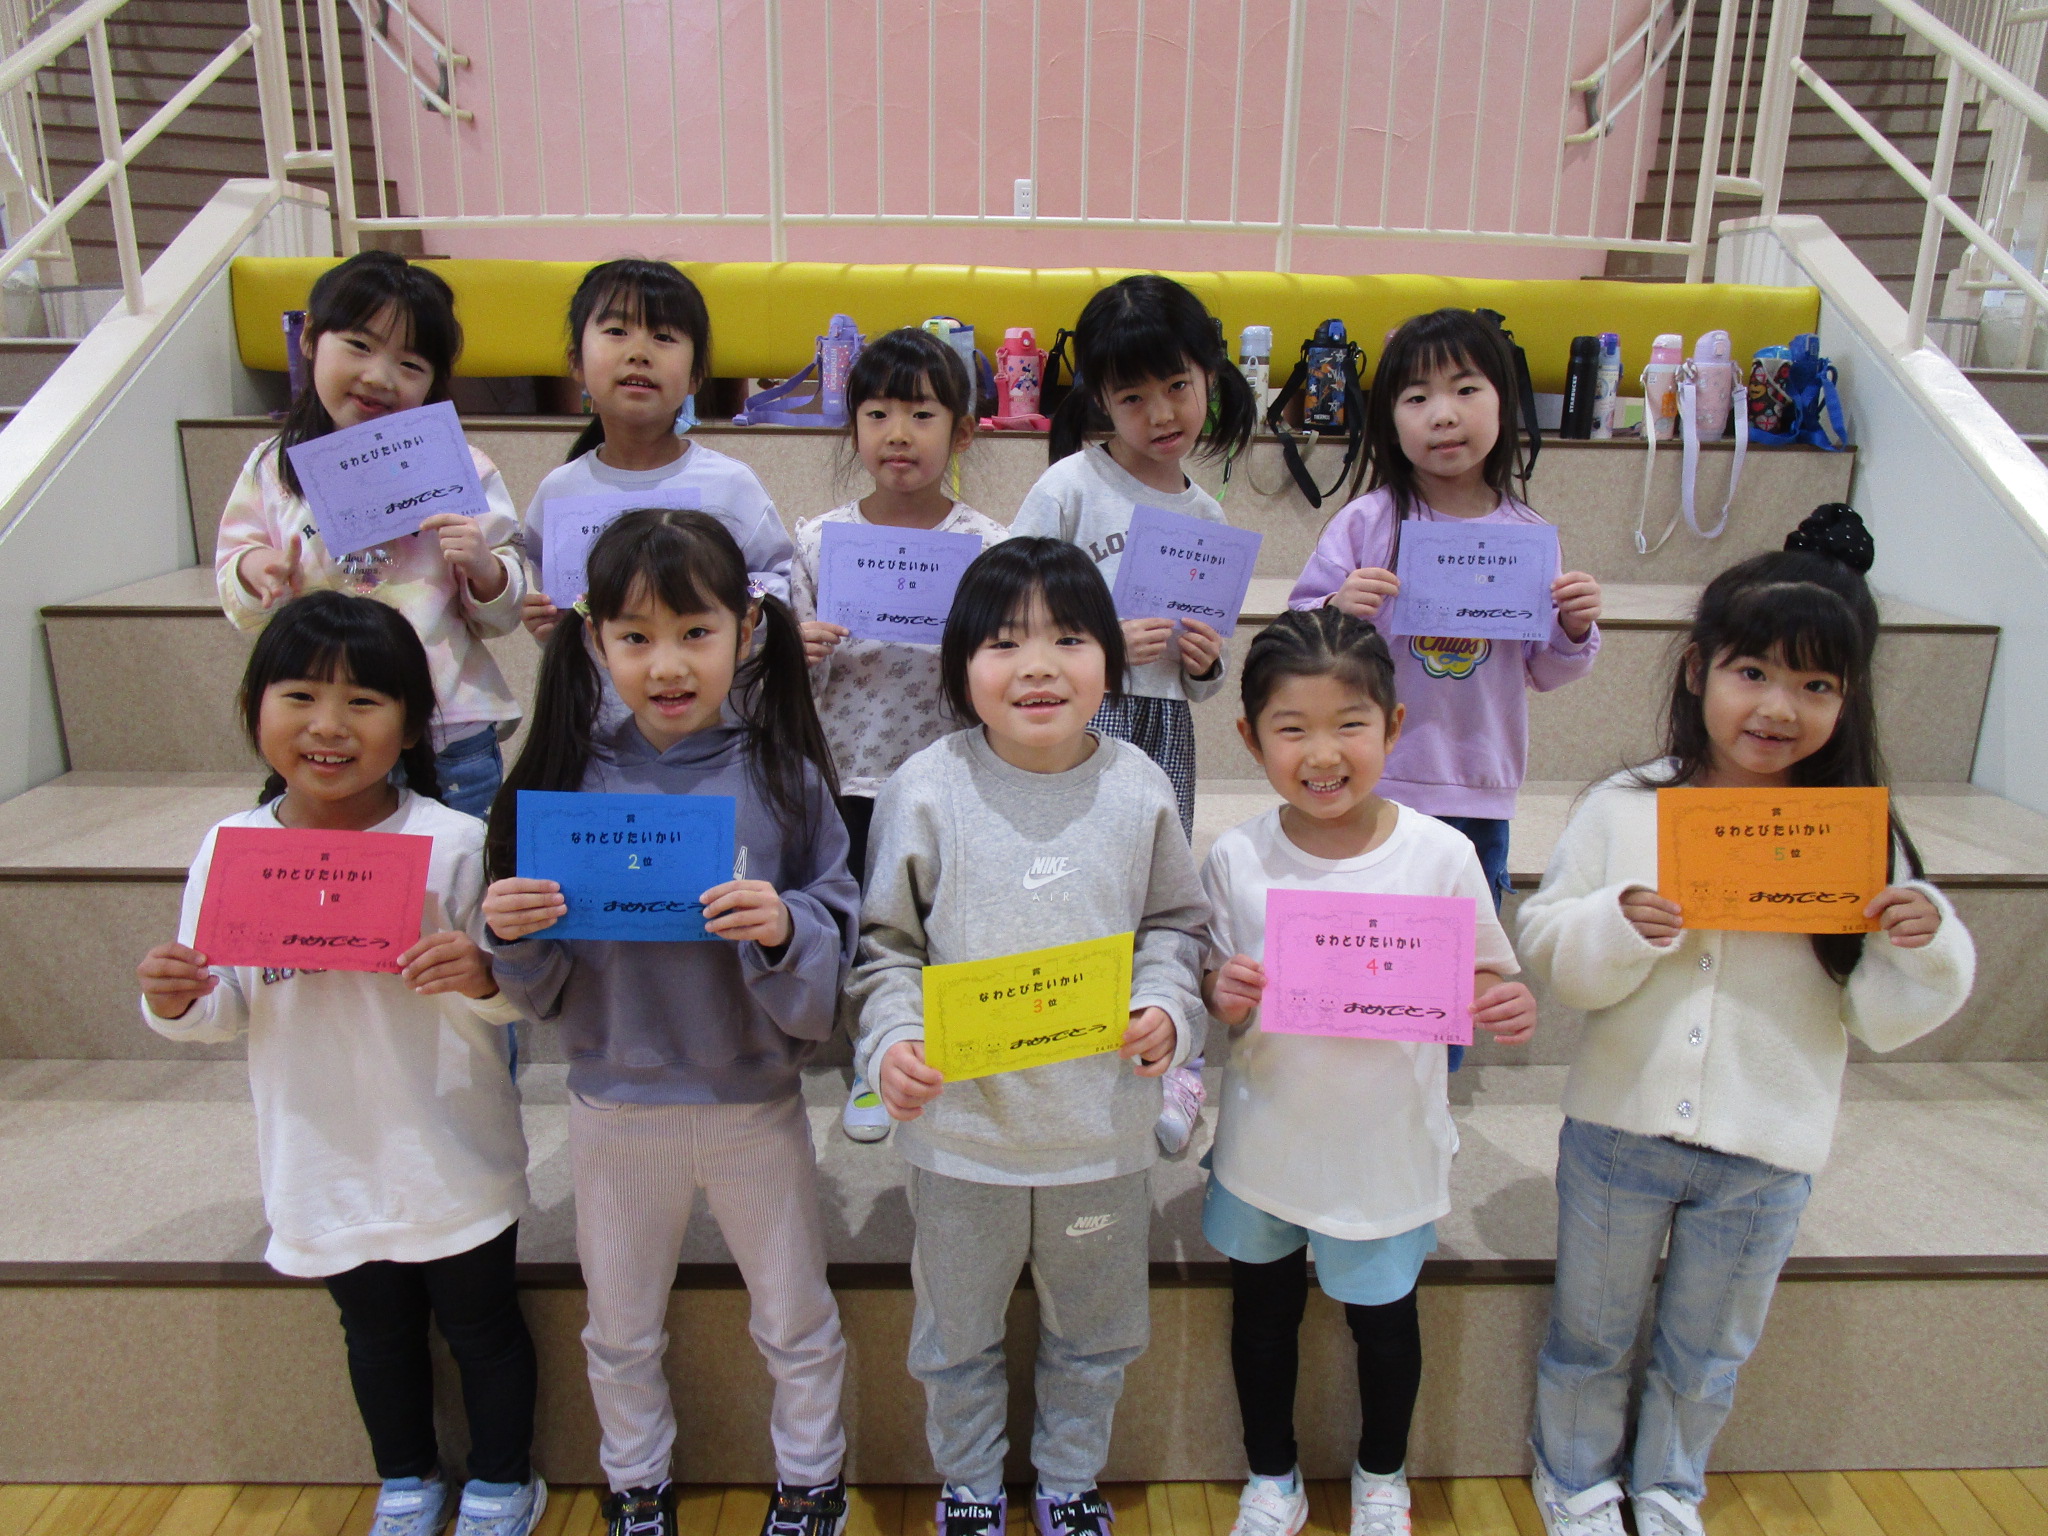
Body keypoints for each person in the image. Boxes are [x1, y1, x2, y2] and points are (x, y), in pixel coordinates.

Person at [1515, 510, 1975, 1536]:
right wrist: (1615, 924)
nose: (1777, 706)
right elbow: (1548, 944)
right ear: (1697, 672)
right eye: (1752, 672)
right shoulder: (1624, 805)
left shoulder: (1856, 833)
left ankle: (1668, 1486)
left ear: (1848, 700)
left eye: (1815, 685)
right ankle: (1576, 1476)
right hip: (1620, 1131)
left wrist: (1921, 938)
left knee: (1706, 1351)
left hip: (1765, 1151)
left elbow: (1882, 1013)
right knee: (1590, 1333)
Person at [481, 509, 857, 1536]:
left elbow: (837, 920)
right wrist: (508, 930)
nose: (667, 664)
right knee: (619, 1325)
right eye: (635, 636)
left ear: (748, 629)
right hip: (613, 1101)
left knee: (794, 1313)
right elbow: (534, 984)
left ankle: (812, 1479)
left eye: (696, 631)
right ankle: (635, 1482)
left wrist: (785, 925)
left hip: (752, 1099)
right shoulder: (562, 779)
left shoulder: (783, 774)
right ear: (593, 638)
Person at [138, 590, 542, 1536]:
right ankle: (405, 1479)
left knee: (483, 1328)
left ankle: (501, 1479)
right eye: (299, 697)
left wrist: (484, 974)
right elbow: (223, 1005)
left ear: (412, 724)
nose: (328, 726)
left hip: (450, 1147)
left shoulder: (454, 844)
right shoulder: (232, 849)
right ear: (255, 709)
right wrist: (175, 999)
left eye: (363, 701)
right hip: (321, 1153)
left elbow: (520, 999)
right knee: (374, 1332)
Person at [853, 538, 1209, 1536]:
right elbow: (885, 949)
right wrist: (891, 1045)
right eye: (1004, 642)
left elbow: (1174, 927)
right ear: (960, 664)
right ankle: (969, 1486)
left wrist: (1166, 1007)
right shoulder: (924, 787)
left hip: (1099, 1135)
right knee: (956, 1335)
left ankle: (1067, 1482)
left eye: (1069, 639)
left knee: (1095, 1335)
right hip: (963, 1140)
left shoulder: (1140, 786)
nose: (1038, 666)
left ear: (1112, 659)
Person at [1198, 607, 1537, 1536]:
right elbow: (1216, 990)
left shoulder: (1440, 853)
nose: (1322, 754)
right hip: (1266, 1140)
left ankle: (1382, 1473)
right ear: (1250, 739)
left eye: (1349, 724)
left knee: (1384, 1323)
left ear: (1394, 726)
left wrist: (1504, 1000)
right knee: (1261, 1317)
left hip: (1387, 1145)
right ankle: (1272, 1476)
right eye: (1291, 729)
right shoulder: (1236, 856)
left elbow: (1488, 974)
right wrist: (1222, 991)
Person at [1287, 309, 1603, 1069]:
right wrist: (1334, 607)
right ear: (1388, 419)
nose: (1444, 414)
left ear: (1504, 402)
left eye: (1466, 389)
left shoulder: (1527, 534)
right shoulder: (1367, 523)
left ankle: (1429, 1093)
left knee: (1450, 970)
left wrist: (1574, 625)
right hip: (1371, 783)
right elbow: (1294, 645)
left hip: (1476, 789)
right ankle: (1337, 1086)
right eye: (1416, 397)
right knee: (1358, 952)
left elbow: (1546, 668)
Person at [1010, 273, 1258, 1151]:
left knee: (1157, 885)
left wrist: (1206, 661)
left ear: (1209, 378)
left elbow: (1206, 672)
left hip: (1164, 729)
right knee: (1071, 882)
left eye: (1178, 387)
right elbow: (1012, 610)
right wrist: (1098, 643)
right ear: (1100, 400)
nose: (1161, 413)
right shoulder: (1071, 488)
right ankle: (1062, 1038)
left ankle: (1172, 1049)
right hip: (1077, 729)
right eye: (1132, 397)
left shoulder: (1206, 511)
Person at [789, 326, 1009, 1143]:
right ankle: (874, 1058)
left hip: (952, 774)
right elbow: (783, 681)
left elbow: (1008, 664)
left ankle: (944, 1043)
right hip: (848, 772)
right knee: (864, 925)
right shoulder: (819, 540)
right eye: (877, 413)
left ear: (963, 432)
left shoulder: (987, 546)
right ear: (853, 429)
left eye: (922, 414)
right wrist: (798, 651)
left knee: (941, 914)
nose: (898, 434)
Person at [214, 251, 530, 818]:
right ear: (310, 338)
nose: (380, 377)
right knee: (342, 869)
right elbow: (237, 578)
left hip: (445, 728)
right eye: (359, 345)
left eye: (410, 364)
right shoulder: (273, 468)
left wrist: (486, 569)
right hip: (325, 728)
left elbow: (500, 614)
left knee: (457, 863)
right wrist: (254, 570)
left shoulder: (461, 468)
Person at [520, 259, 793, 646]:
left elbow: (779, 584)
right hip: (595, 687)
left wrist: (743, 609)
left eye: (663, 337)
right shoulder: (559, 490)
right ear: (576, 362)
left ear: (695, 376)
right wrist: (549, 625)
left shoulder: (730, 485)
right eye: (616, 331)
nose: (639, 352)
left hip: (704, 685)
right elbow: (554, 599)